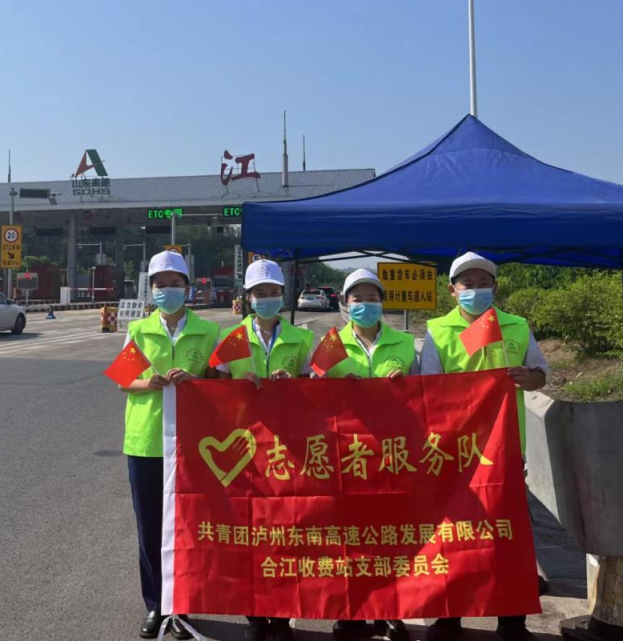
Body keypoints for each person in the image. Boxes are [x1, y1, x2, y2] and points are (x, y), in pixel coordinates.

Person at [420, 252, 549, 641]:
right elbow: (429, 388)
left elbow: (541, 375)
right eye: (468, 285)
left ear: (495, 287)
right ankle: (448, 617)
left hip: (505, 448)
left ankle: (512, 619)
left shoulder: (516, 326)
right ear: (452, 290)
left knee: (507, 535)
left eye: (483, 284)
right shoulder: (437, 330)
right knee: (454, 535)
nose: (475, 291)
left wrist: (527, 377)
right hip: (454, 449)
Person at [119, 250, 220, 640]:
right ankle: (156, 606)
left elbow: (223, 382)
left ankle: (184, 606)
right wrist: (149, 382)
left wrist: (196, 383)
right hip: (146, 440)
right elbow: (123, 379)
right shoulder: (139, 330)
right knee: (150, 527)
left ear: (188, 289)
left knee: (188, 526)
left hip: (193, 444)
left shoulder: (209, 332)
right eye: (160, 285)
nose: (168, 291)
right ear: (151, 290)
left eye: (175, 284)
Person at [213, 259, 314, 641]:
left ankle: (282, 616)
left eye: (273, 292)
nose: (267, 298)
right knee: (249, 534)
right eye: (260, 293)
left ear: (283, 295)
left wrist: (293, 384)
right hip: (245, 449)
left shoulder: (301, 338)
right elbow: (214, 390)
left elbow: (315, 389)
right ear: (248, 297)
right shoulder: (232, 338)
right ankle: (254, 615)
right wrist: (239, 387)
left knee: (286, 532)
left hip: (286, 448)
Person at [322, 268, 414, 641]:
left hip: (393, 454)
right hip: (347, 454)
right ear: (346, 304)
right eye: (357, 299)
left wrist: (405, 386)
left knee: (391, 535)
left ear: (382, 303)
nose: (364, 304)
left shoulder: (405, 344)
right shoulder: (330, 344)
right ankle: (351, 614)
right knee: (349, 536)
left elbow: (429, 395)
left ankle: (390, 612)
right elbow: (309, 395)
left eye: (372, 298)